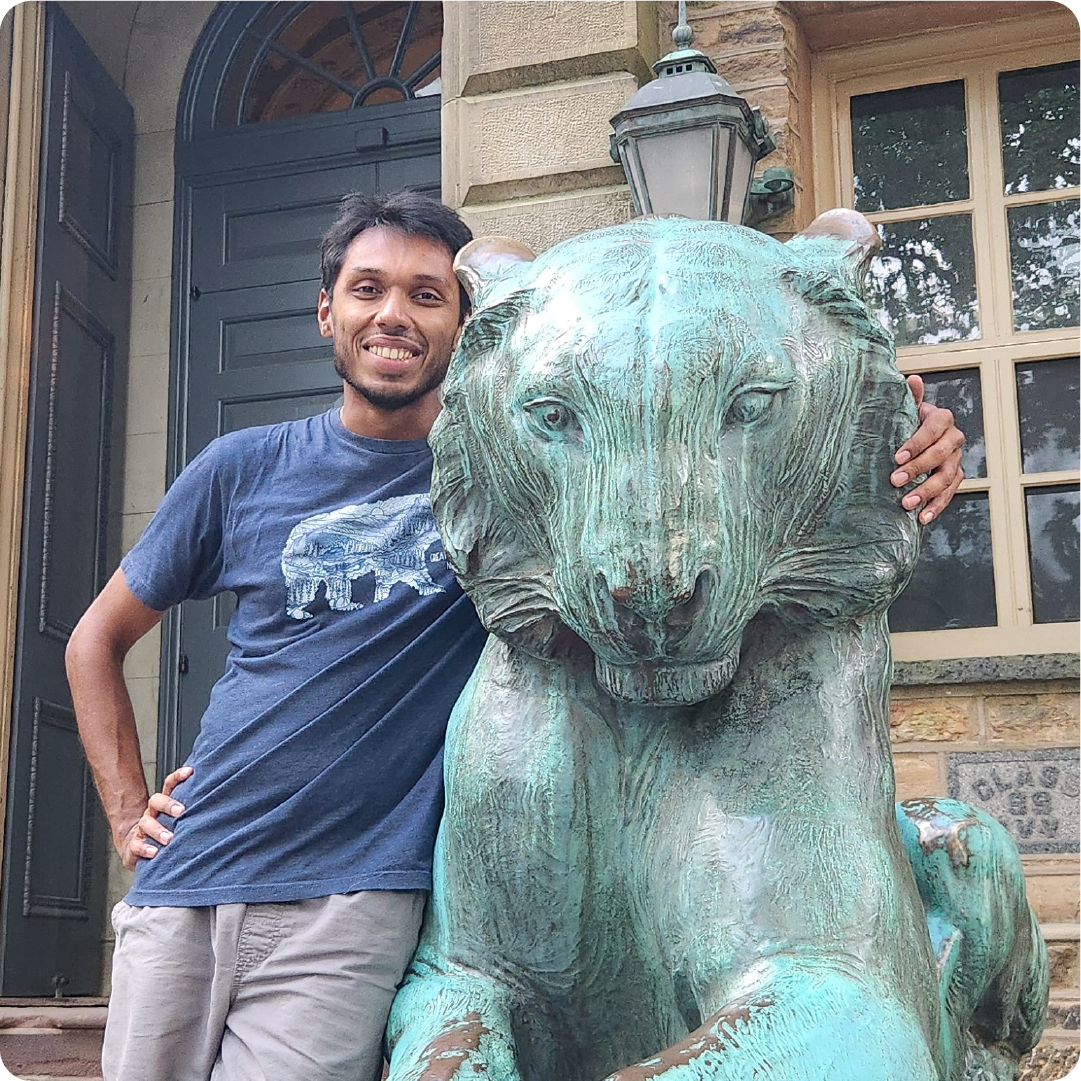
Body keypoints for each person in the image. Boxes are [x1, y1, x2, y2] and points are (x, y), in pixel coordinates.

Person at [65, 189, 965, 1081]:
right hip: (190, 872)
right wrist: (127, 811)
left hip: (348, 902)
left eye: (425, 294)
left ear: (463, 328)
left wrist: (914, 435)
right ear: (326, 310)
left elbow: (802, 412)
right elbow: (93, 641)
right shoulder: (244, 467)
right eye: (366, 288)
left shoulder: (491, 469)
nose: (392, 315)